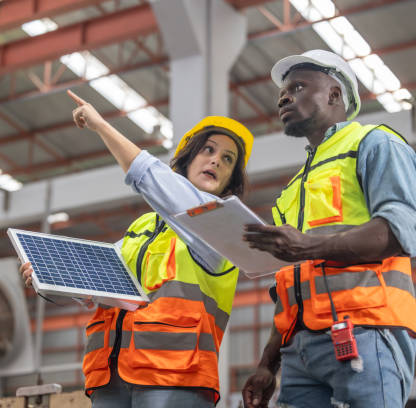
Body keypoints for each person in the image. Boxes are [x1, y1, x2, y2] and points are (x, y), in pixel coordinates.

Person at [20, 89, 254, 407]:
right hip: (111, 375)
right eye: (208, 150)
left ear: (230, 179)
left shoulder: (220, 227)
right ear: (188, 159)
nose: (216, 159)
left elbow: (150, 177)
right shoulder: (142, 227)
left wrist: (102, 125)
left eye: (227, 159)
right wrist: (48, 272)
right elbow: (99, 282)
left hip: (175, 379)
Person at [241, 50, 416, 408]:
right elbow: (289, 287)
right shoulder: (292, 191)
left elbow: (401, 232)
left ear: (334, 95)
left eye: (297, 87)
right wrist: (268, 364)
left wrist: (308, 247)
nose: (283, 96)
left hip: (366, 330)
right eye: (282, 91)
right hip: (299, 351)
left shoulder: (374, 144)